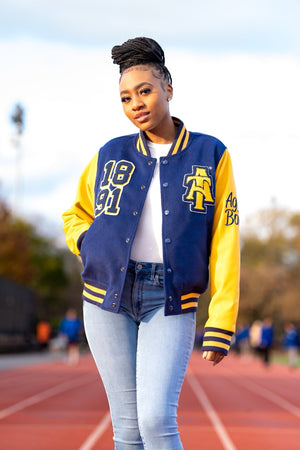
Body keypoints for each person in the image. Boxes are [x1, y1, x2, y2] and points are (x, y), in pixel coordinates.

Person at [62, 37, 240, 450]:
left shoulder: (210, 153)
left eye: (145, 91)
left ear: (168, 89)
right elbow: (76, 213)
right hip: (106, 297)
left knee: (157, 419)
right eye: (125, 97)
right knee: (126, 429)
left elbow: (226, 235)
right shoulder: (111, 153)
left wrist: (223, 318)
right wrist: (89, 244)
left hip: (171, 297)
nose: (136, 103)